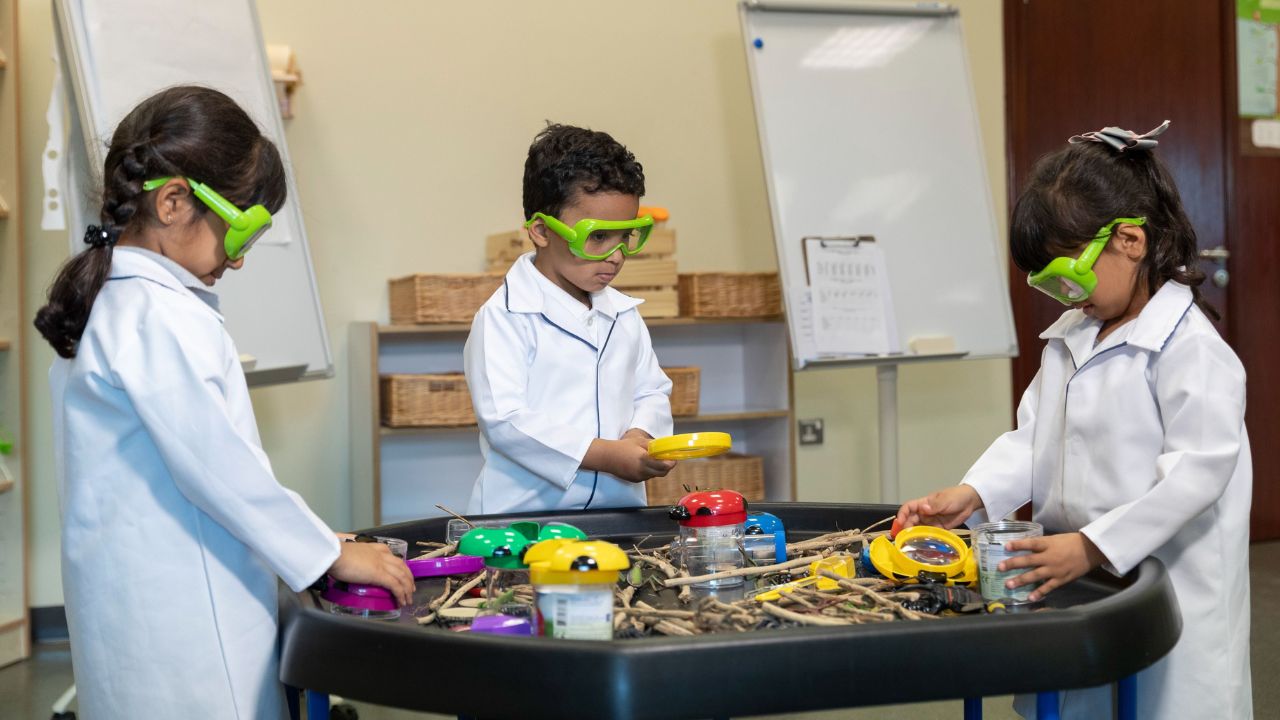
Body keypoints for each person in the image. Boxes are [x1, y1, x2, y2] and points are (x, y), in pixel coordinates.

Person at [35, 86, 414, 719]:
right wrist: (329, 554)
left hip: (134, 609)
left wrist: (316, 536)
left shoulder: (112, 303)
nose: (237, 261)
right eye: (241, 232)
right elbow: (219, 470)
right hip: (187, 624)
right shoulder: (161, 315)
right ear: (173, 201)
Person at [895, 121, 1251, 719]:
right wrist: (974, 493)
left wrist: (1092, 546)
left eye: (1071, 275)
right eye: (1048, 282)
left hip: (1169, 589)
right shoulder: (1071, 338)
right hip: (1077, 577)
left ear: (1129, 241)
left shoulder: (1191, 349)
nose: (1065, 295)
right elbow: (1035, 438)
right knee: (1078, 697)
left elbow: (1198, 475)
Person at [464, 123, 675, 514]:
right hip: (522, 521)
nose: (616, 256)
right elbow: (506, 422)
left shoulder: (623, 315)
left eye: (626, 236)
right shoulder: (504, 317)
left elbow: (651, 390)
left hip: (617, 514)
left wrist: (640, 434)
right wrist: (606, 455)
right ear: (542, 231)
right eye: (598, 237)